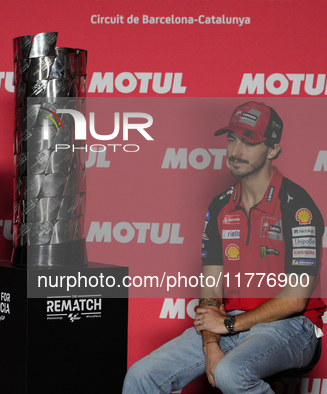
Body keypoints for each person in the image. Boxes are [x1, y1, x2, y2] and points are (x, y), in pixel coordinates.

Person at [123, 101, 325, 394]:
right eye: (232, 140)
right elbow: (210, 292)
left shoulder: (298, 206)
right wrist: (210, 345)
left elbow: (295, 300)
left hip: (293, 326)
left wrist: (229, 326)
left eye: (249, 141)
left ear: (272, 149)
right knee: (141, 376)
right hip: (229, 324)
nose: (236, 151)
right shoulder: (220, 206)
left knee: (232, 372)